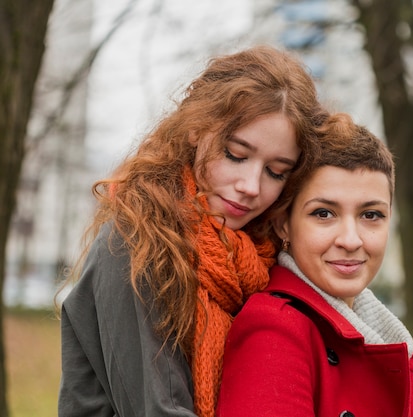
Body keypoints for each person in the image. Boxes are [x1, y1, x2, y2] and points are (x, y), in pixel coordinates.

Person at [58, 45, 326, 417]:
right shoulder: (137, 241)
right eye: (236, 154)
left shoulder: (262, 255)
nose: (251, 185)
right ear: (197, 128)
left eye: (276, 171)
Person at [216, 113, 413, 417]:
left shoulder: (376, 334)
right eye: (323, 214)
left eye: (371, 215)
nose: (351, 240)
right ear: (283, 224)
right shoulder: (274, 328)